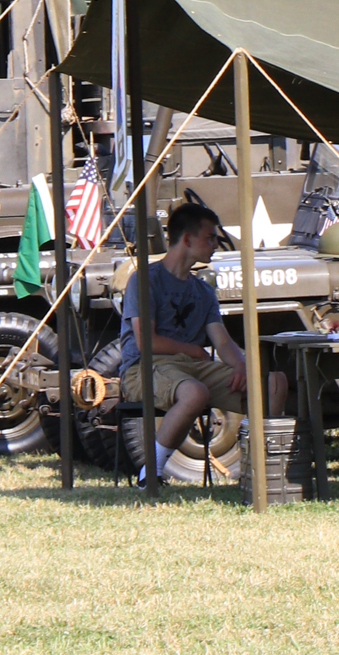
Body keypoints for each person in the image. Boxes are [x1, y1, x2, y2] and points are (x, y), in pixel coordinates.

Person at [118, 199, 287, 487]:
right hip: (144, 368)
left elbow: (222, 340)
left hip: (192, 368)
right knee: (195, 393)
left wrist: (243, 367)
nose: (215, 245)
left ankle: (265, 471)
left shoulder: (203, 291)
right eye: (209, 238)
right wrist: (193, 349)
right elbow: (147, 342)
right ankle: (150, 474)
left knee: (274, 383)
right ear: (186, 239)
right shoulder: (145, 280)